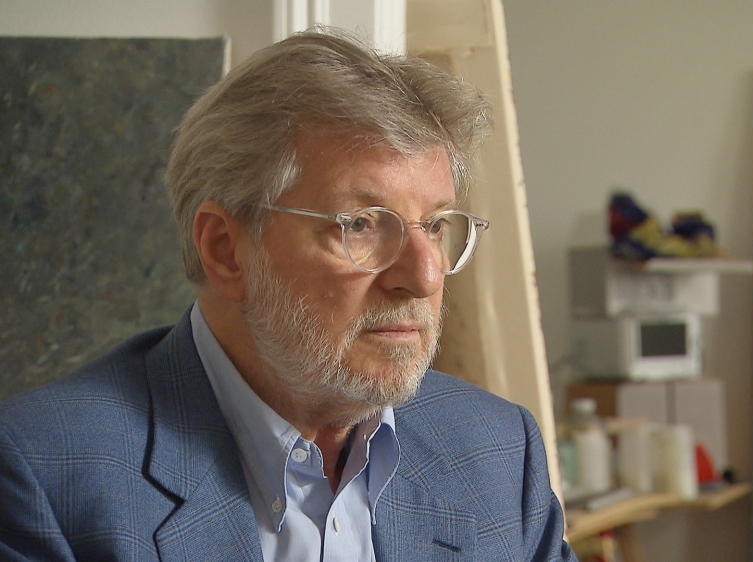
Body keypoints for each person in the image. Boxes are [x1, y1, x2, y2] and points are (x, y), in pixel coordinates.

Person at [0, 30, 576, 562]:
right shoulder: (42, 476)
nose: (425, 277)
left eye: (435, 225)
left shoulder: (497, 451)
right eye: (361, 225)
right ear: (225, 249)